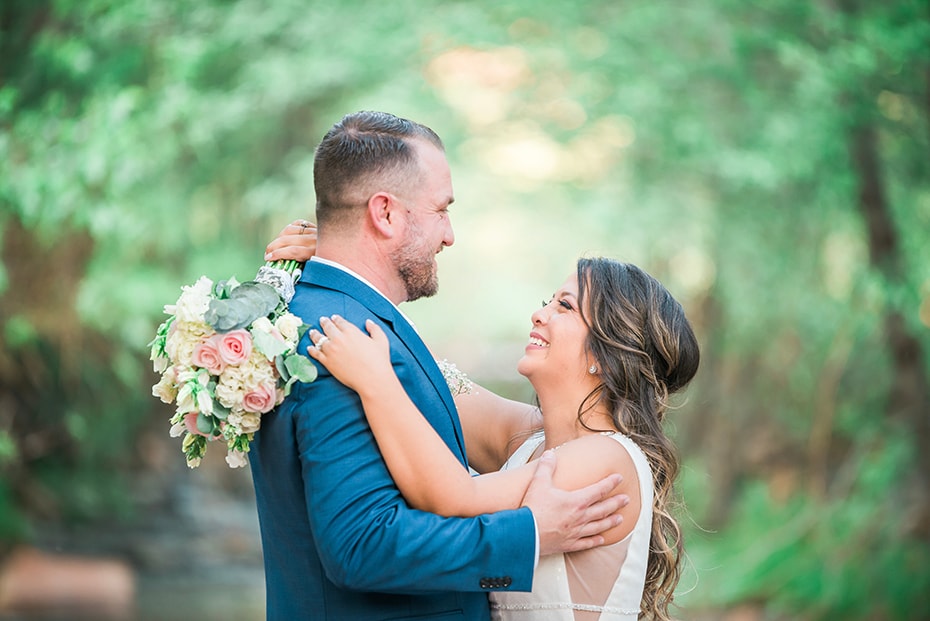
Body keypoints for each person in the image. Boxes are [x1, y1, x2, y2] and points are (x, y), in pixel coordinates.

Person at [249, 111, 629, 621]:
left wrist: (334, 252)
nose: (449, 235)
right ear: (385, 214)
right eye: (441, 210)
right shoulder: (337, 342)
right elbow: (364, 545)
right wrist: (529, 535)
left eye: (564, 306)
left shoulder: (315, 320)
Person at [304, 257, 701, 620]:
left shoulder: (605, 459)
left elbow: (452, 498)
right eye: (549, 301)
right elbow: (434, 383)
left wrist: (376, 381)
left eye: (564, 306)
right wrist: (336, 265)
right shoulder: (529, 440)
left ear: (606, 354)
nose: (539, 313)